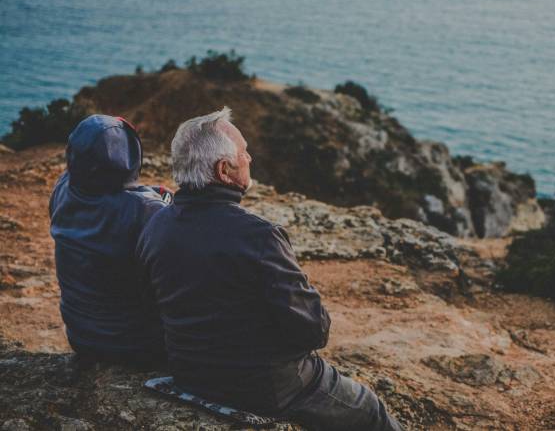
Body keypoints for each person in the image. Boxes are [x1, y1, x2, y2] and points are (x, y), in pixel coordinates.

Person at [136, 107, 402, 431]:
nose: (251, 158)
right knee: (371, 410)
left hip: (189, 373)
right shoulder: (259, 236)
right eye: (245, 153)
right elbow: (314, 330)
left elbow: (152, 304)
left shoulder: (156, 225)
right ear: (224, 169)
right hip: (269, 388)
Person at [49, 114, 170, 369]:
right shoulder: (147, 211)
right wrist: (163, 199)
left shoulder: (63, 187)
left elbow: (108, 200)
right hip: (137, 346)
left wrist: (146, 193)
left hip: (81, 336)